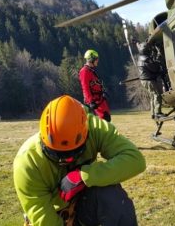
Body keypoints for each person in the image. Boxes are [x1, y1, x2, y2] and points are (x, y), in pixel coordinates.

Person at [13, 95, 146, 225]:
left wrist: (84, 176)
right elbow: (41, 214)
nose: (65, 161)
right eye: (56, 155)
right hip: (53, 214)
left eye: (73, 153)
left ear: (86, 134)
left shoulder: (94, 128)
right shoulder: (27, 162)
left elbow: (135, 160)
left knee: (110, 195)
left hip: (82, 204)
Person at [79, 49, 111, 122]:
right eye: (96, 59)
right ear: (91, 60)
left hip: (99, 99)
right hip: (94, 101)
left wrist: (103, 92)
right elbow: (85, 87)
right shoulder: (84, 71)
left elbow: (95, 84)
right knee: (104, 119)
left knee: (107, 118)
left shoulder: (91, 70)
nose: (97, 61)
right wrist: (91, 102)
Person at [137, 42, 165, 119]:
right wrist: (159, 56)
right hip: (149, 80)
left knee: (152, 96)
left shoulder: (141, 58)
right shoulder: (146, 59)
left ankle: (153, 113)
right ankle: (157, 113)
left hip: (145, 80)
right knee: (157, 94)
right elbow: (155, 68)